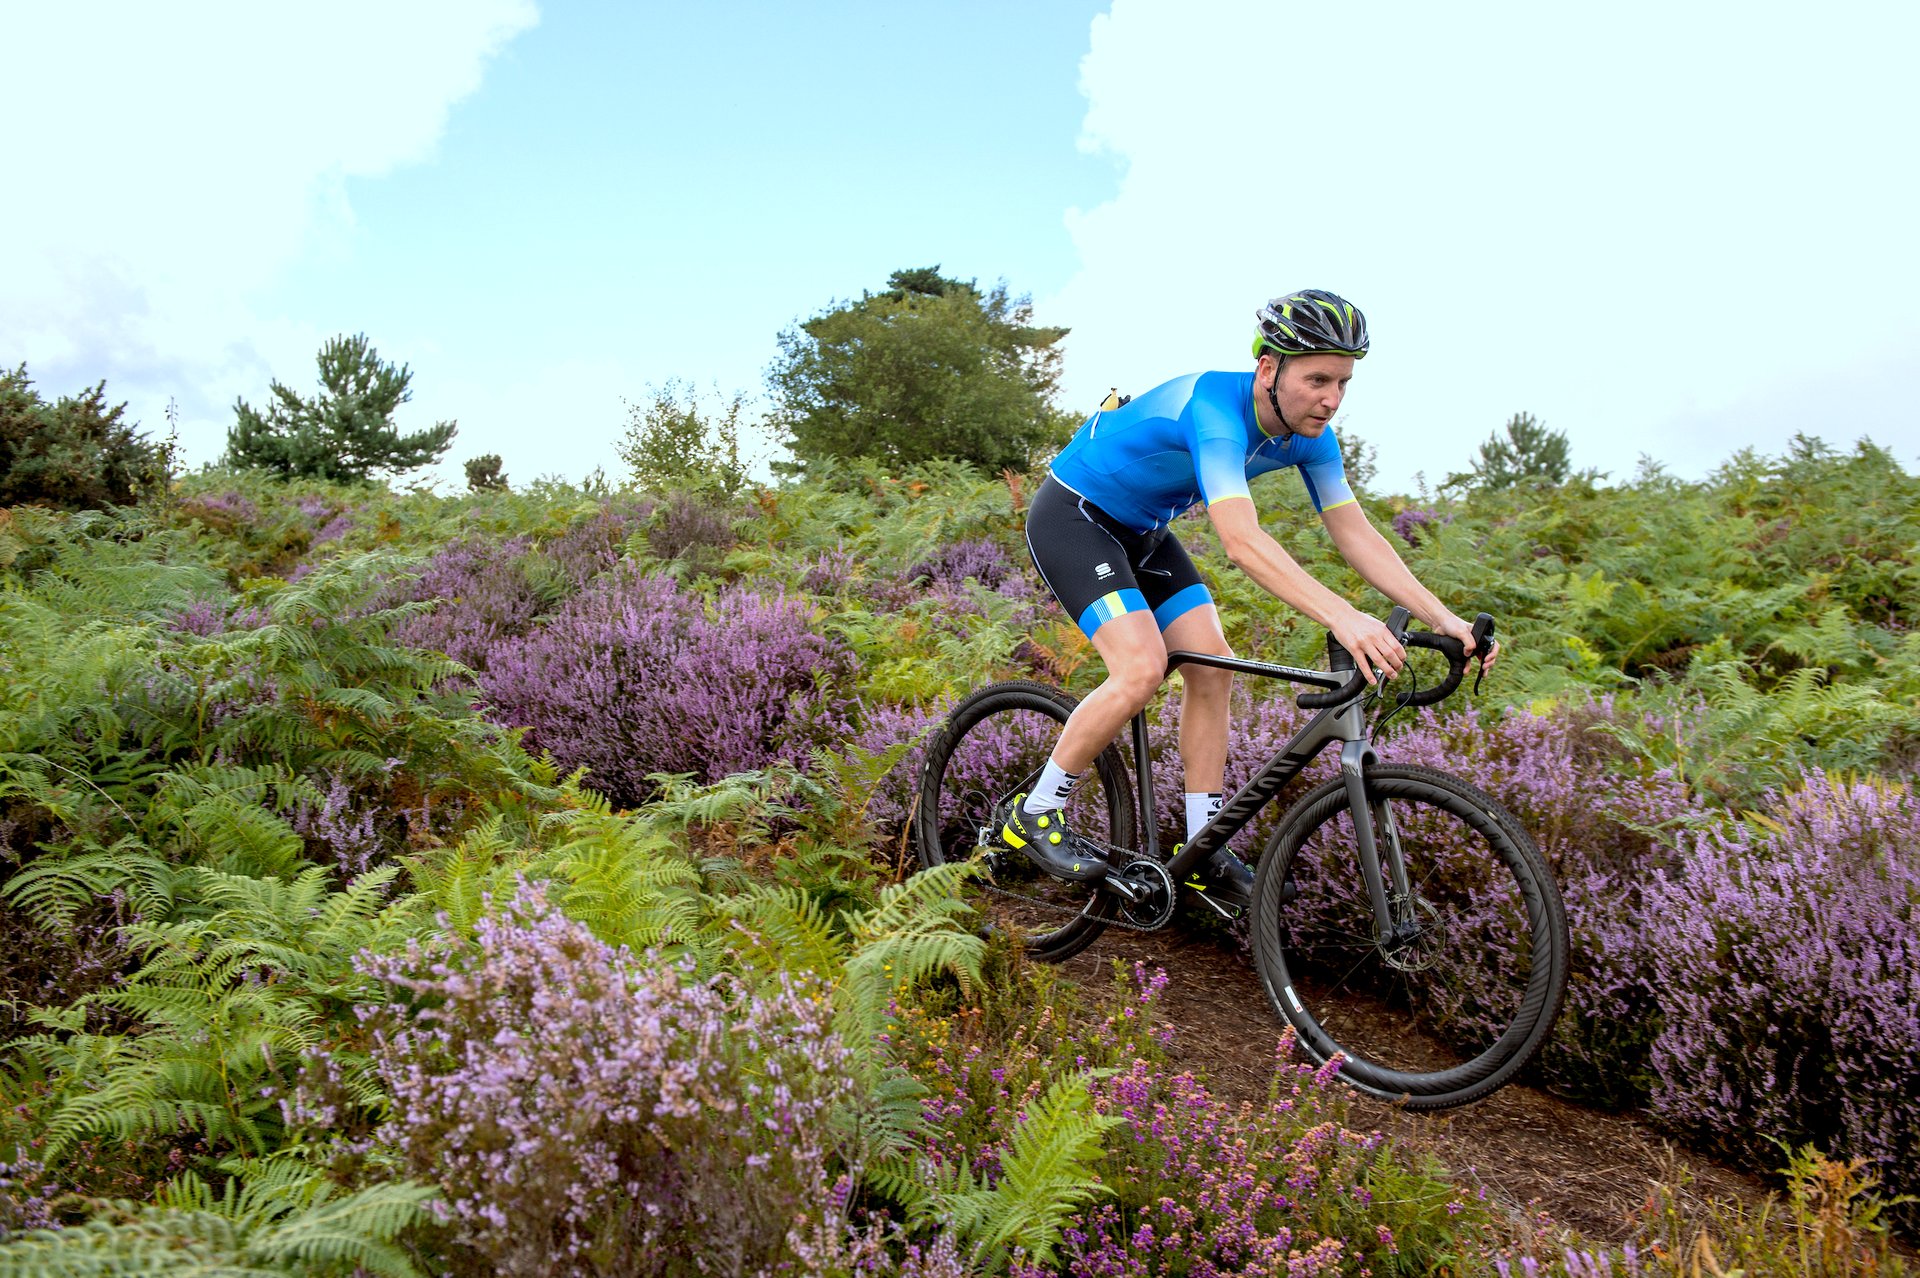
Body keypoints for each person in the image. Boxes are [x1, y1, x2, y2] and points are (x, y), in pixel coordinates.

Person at [1000, 288, 1498, 908]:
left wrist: (1445, 619)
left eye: (1343, 382)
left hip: (1145, 530)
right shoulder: (1214, 409)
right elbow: (1240, 539)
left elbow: (1357, 535)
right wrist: (1345, 618)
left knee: (1212, 669)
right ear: (1268, 368)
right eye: (1317, 379)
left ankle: (1202, 845)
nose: (1331, 399)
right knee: (1140, 670)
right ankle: (1034, 813)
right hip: (1076, 517)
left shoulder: (1312, 436)